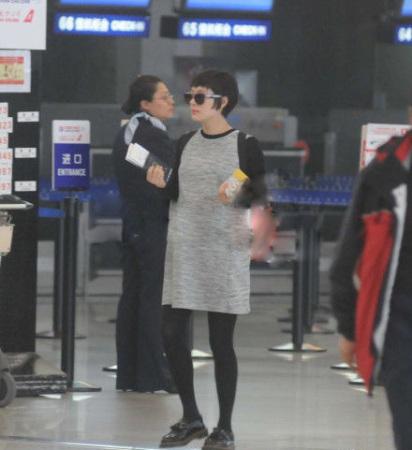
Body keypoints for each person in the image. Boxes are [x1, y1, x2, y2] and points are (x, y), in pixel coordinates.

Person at [147, 70, 269, 450]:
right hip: (184, 249)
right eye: (190, 96)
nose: (193, 104)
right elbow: (178, 192)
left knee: (221, 342)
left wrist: (238, 189)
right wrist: (161, 185)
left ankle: (225, 427)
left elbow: (260, 197)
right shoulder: (184, 142)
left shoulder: (246, 145)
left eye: (200, 97)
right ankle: (191, 417)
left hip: (223, 253)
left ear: (223, 101)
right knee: (171, 332)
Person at [330, 129, 412, 450]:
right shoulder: (385, 170)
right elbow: (346, 259)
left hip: (399, 320)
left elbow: (345, 259)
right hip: (399, 320)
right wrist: (350, 326)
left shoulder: (384, 169)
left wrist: (349, 330)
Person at [112, 75, 176, 393]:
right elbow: (170, 180)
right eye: (164, 96)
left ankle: (130, 375)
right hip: (153, 226)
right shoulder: (153, 135)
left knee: (133, 296)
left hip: (133, 225)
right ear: (145, 104)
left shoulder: (129, 132)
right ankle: (154, 375)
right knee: (152, 299)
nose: (172, 100)